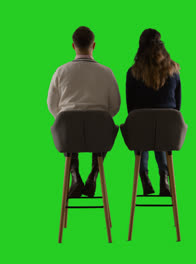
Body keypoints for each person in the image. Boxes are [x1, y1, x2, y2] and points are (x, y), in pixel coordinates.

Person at [48, 26, 121, 198]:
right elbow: (116, 106)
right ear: (93, 45)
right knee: (104, 126)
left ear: (73, 46)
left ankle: (75, 175)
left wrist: (70, 118)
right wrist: (98, 117)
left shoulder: (60, 71)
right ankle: (94, 175)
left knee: (66, 126)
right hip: (99, 135)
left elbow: (52, 106)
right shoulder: (106, 72)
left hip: (68, 136)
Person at [126, 28, 181, 196]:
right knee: (162, 125)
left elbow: (130, 108)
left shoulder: (133, 72)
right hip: (168, 133)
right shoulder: (174, 70)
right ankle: (164, 177)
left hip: (141, 132)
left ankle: (144, 176)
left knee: (141, 126)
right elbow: (177, 105)